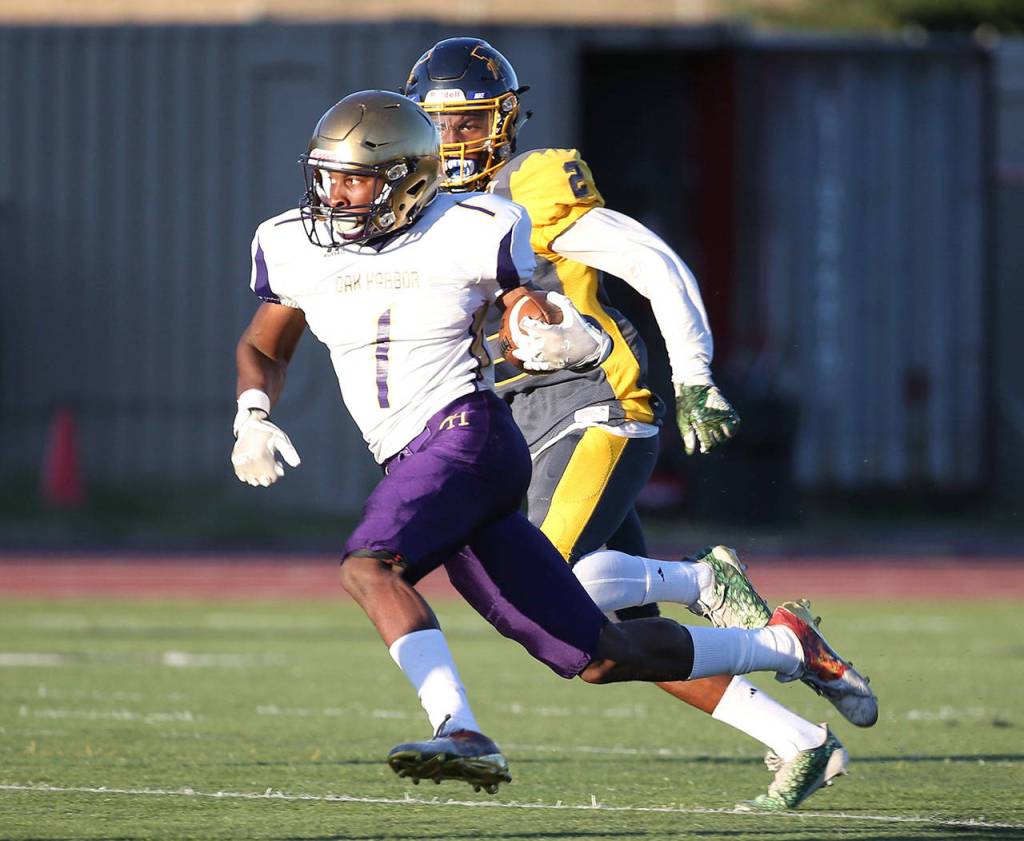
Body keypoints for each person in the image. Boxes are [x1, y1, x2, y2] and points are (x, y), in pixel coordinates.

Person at [231, 89, 875, 798]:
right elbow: (265, 343)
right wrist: (252, 412)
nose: (335, 194)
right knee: (601, 652)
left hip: (484, 431)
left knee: (369, 565)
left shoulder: (483, 219)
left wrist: (588, 339)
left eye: (352, 178)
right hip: (451, 443)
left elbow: (558, 303)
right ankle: (786, 653)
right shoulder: (295, 242)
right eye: (326, 176)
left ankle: (460, 725)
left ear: (405, 178)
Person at [402, 38, 876, 810]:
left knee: (541, 582)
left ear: (504, 121)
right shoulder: (430, 213)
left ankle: (705, 578)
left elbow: (652, 261)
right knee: (614, 642)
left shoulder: (533, 185)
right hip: (523, 422)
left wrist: (694, 374)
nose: (454, 141)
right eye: (440, 124)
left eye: (468, 123)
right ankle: (800, 738)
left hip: (596, 403)